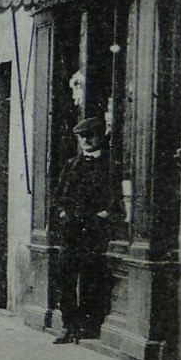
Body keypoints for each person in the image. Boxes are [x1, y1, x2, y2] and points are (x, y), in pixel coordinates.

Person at [52, 115, 120, 344]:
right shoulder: (72, 164)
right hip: (71, 232)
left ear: (101, 136)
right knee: (65, 280)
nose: (86, 141)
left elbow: (116, 199)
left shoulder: (110, 166)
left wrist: (104, 216)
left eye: (90, 136)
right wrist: (63, 212)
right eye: (82, 137)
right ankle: (69, 326)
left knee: (91, 280)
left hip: (95, 232)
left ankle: (89, 326)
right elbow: (58, 196)